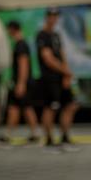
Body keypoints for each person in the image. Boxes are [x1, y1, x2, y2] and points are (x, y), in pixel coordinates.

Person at [36, 8, 80, 151]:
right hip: (50, 79)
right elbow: (48, 59)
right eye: (51, 16)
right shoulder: (42, 35)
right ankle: (48, 139)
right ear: (47, 17)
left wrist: (66, 74)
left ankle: (64, 136)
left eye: (56, 16)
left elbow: (61, 55)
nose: (53, 19)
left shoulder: (56, 35)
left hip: (61, 77)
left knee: (71, 105)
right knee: (51, 108)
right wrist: (65, 70)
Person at [3, 20, 42, 144]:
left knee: (18, 107)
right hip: (24, 81)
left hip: (22, 82)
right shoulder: (21, 44)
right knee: (23, 107)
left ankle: (8, 134)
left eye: (8, 30)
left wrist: (21, 83)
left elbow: (23, 64)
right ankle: (34, 133)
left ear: (13, 29)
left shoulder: (21, 45)